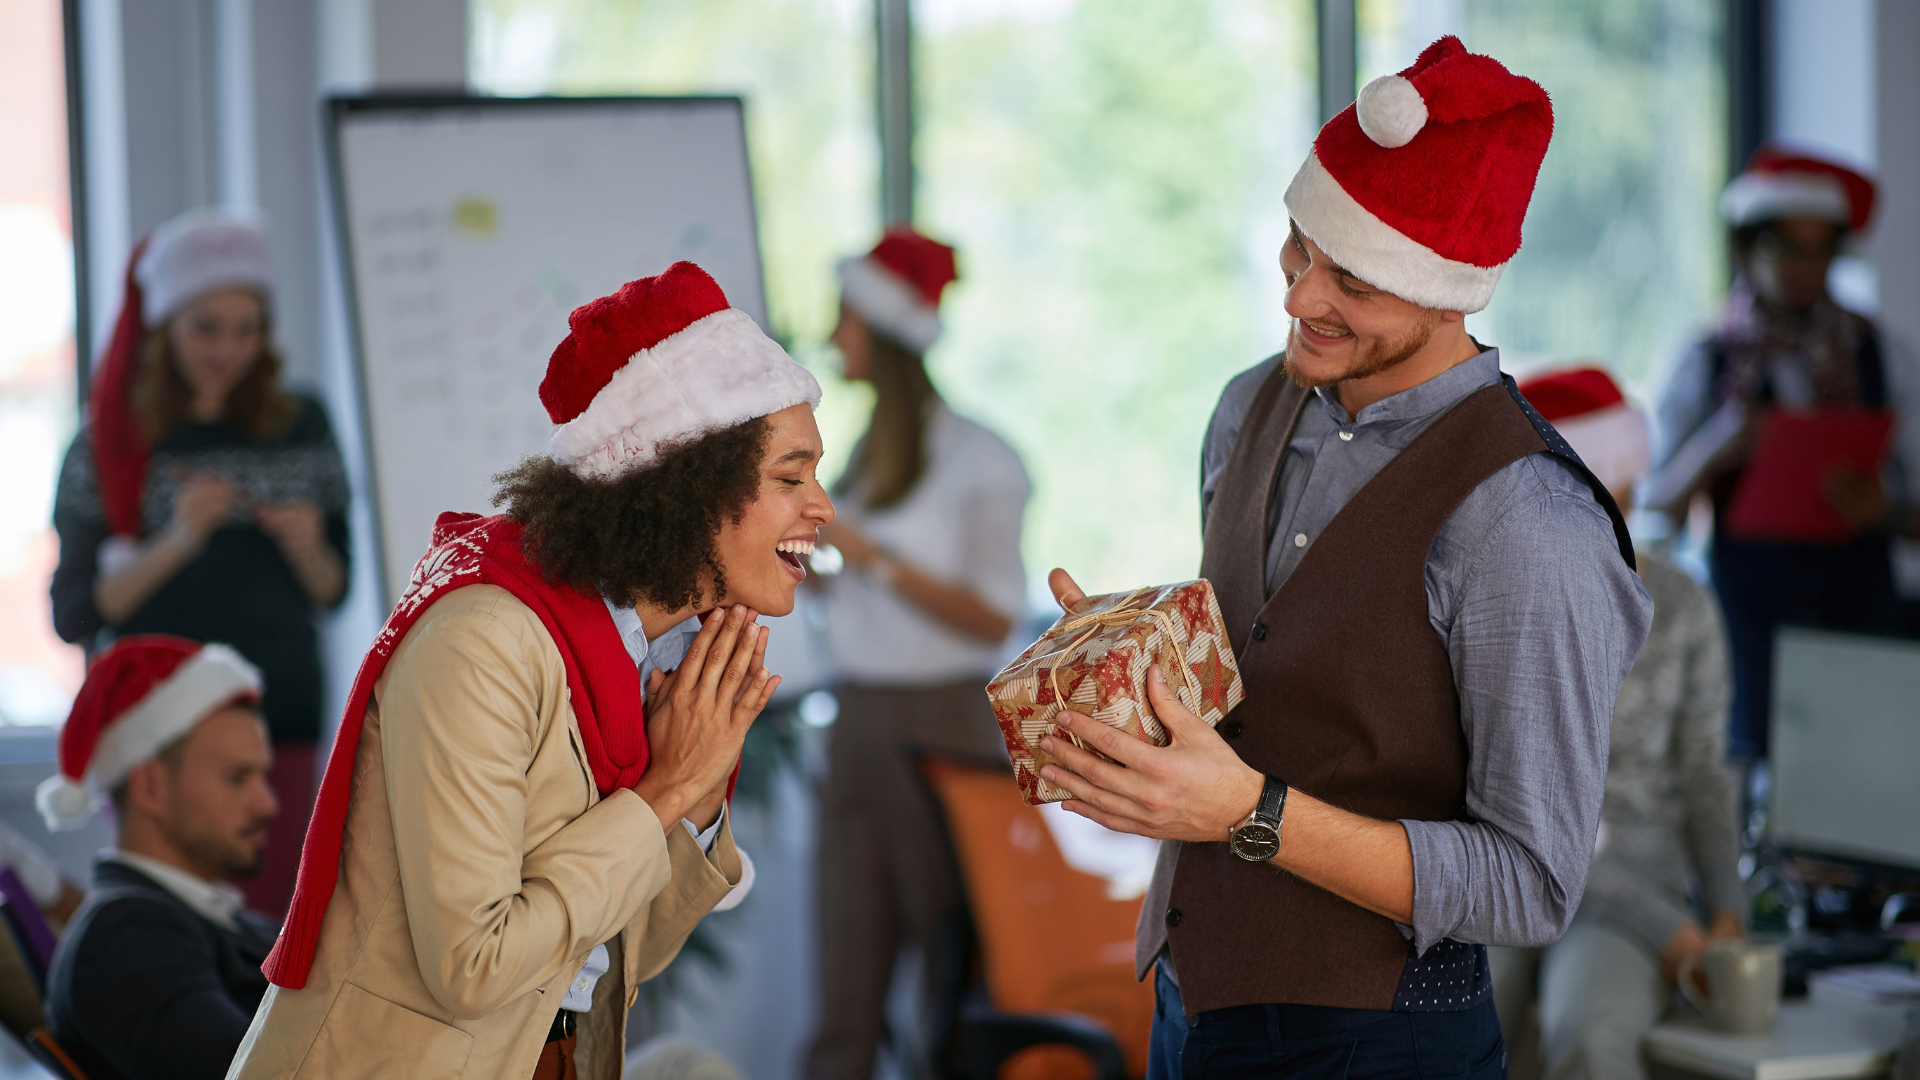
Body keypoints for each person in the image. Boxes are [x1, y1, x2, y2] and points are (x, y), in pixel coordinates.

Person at [1031, 38, 1653, 1074]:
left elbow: (1532, 884)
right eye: (1297, 248)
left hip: (1380, 1041)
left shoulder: (1527, 522)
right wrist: (1126, 664)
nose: (1299, 298)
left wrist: (1249, 813)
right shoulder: (1249, 408)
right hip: (1190, 1004)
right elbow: (1270, 679)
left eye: (1352, 278)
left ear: (1449, 289)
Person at [230, 261, 830, 1080]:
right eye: (791, 477)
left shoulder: (646, 655)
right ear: (683, 489)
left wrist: (693, 787)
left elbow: (623, 953)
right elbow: (475, 967)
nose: (823, 507)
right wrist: (664, 790)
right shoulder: (483, 642)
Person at [49, 209, 351, 917]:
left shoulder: (302, 424)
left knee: (268, 936)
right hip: (158, 730)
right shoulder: (112, 440)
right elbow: (75, 614)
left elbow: (335, 590)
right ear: (163, 328)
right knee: (164, 927)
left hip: (280, 718)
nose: (228, 348)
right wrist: (178, 539)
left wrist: (308, 550)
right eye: (206, 328)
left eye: (247, 329)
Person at [804, 229, 1031, 1080]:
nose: (833, 339)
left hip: (947, 723)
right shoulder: (861, 455)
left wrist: (874, 562)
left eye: (845, 321)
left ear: (885, 333)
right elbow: (857, 589)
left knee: (953, 964)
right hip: (858, 721)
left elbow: (990, 618)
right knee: (846, 969)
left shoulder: (982, 457)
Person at [1490, 369, 1745, 1080]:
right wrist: (1673, 931)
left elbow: (1704, 773)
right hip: (1508, 876)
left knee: (1590, 1034)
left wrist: (1727, 915)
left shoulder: (1684, 606)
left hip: (1636, 890)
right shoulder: (1497, 607)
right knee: (1471, 1021)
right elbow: (1521, 813)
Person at [1648, 145, 1920, 759]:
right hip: (1747, 628)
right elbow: (1651, 511)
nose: (1807, 266)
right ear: (1747, 249)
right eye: (1787, 247)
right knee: (1752, 788)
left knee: (1858, 785)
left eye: (1822, 249)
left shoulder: (1882, 355)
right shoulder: (1705, 362)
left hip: (1860, 620)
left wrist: (1887, 513)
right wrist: (1722, 444)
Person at [38, 635, 279, 1080]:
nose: (267, 804)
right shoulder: (125, 938)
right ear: (150, 787)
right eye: (237, 777)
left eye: (262, 776)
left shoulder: (217, 920)